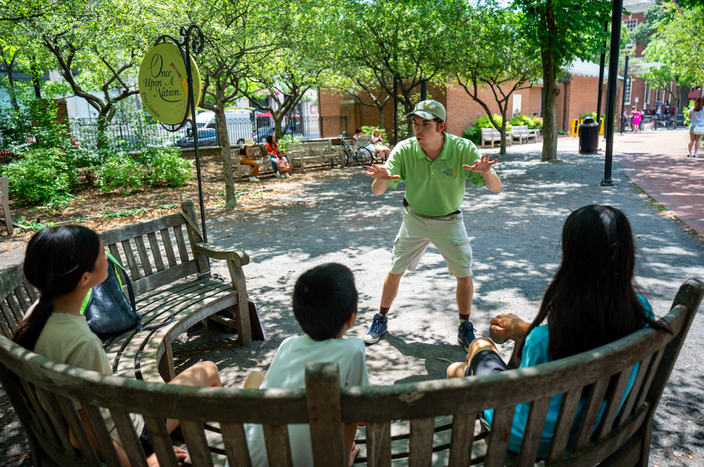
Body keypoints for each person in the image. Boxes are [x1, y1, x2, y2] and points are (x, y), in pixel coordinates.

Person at [447, 205, 670, 458]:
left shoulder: (543, 341)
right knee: (477, 354)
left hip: (526, 438)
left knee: (465, 360)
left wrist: (530, 336)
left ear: (571, 256)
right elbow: (585, 338)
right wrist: (528, 331)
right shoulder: (641, 312)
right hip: (596, 426)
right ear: (626, 253)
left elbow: (521, 392)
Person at [13, 225, 223, 467]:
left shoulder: (34, 315)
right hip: (129, 436)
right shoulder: (83, 344)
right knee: (208, 369)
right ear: (85, 278)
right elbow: (84, 433)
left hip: (86, 420)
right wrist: (141, 463)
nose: (107, 257)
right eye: (103, 254)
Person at [362, 100, 502, 351]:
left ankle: (464, 326)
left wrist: (486, 173)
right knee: (395, 269)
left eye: (425, 124)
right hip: (414, 219)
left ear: (442, 127)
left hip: (449, 220)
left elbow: (496, 188)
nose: (418, 129)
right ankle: (380, 319)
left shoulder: (463, 149)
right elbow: (377, 191)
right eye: (415, 123)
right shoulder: (405, 149)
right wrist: (381, 179)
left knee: (464, 272)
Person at [238, 263, 368, 467]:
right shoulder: (353, 349)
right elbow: (359, 416)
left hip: (247, 461)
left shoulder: (287, 345)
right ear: (351, 319)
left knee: (255, 378)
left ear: (299, 317)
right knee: (347, 408)